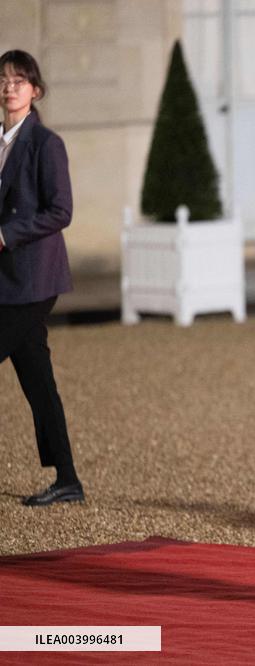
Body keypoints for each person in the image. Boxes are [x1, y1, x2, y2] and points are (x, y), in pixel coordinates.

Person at [0, 50, 83, 507]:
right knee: (38, 381)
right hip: (6, 281)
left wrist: (5, 234)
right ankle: (68, 479)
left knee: (37, 379)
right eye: (3, 80)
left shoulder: (46, 144)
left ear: (36, 90)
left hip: (33, 281)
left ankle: (69, 479)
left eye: (18, 80)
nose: (9, 87)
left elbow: (61, 211)